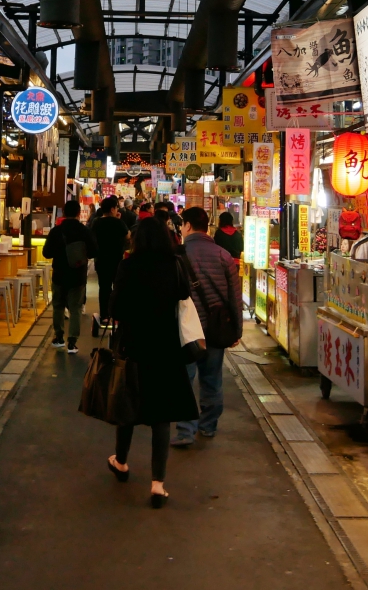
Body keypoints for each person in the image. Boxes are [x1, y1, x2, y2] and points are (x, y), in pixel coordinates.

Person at [106, 217, 199, 507]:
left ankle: (121, 462)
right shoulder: (174, 265)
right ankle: (158, 484)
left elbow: (116, 308)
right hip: (166, 347)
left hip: (134, 345)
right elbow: (184, 295)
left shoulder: (128, 266)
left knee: (129, 407)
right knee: (162, 415)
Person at [172, 205, 243, 446]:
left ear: (188, 226)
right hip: (215, 329)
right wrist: (237, 331)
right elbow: (235, 296)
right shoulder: (223, 255)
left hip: (186, 331)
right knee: (212, 379)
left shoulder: (177, 255)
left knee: (184, 381)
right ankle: (209, 426)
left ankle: (185, 431)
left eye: (182, 225)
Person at [43, 199, 97, 353]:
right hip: (77, 275)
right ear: (79, 213)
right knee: (76, 308)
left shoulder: (56, 231)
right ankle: (72, 342)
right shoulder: (84, 231)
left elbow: (46, 253)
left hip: (59, 274)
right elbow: (94, 251)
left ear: (64, 213)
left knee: (58, 307)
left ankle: (59, 337)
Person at [90, 196, 129, 325]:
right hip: (117, 261)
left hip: (101, 260)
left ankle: (105, 316)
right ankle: (117, 315)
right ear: (113, 209)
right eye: (116, 207)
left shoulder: (96, 222)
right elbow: (128, 236)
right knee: (117, 288)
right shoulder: (119, 223)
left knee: (104, 288)